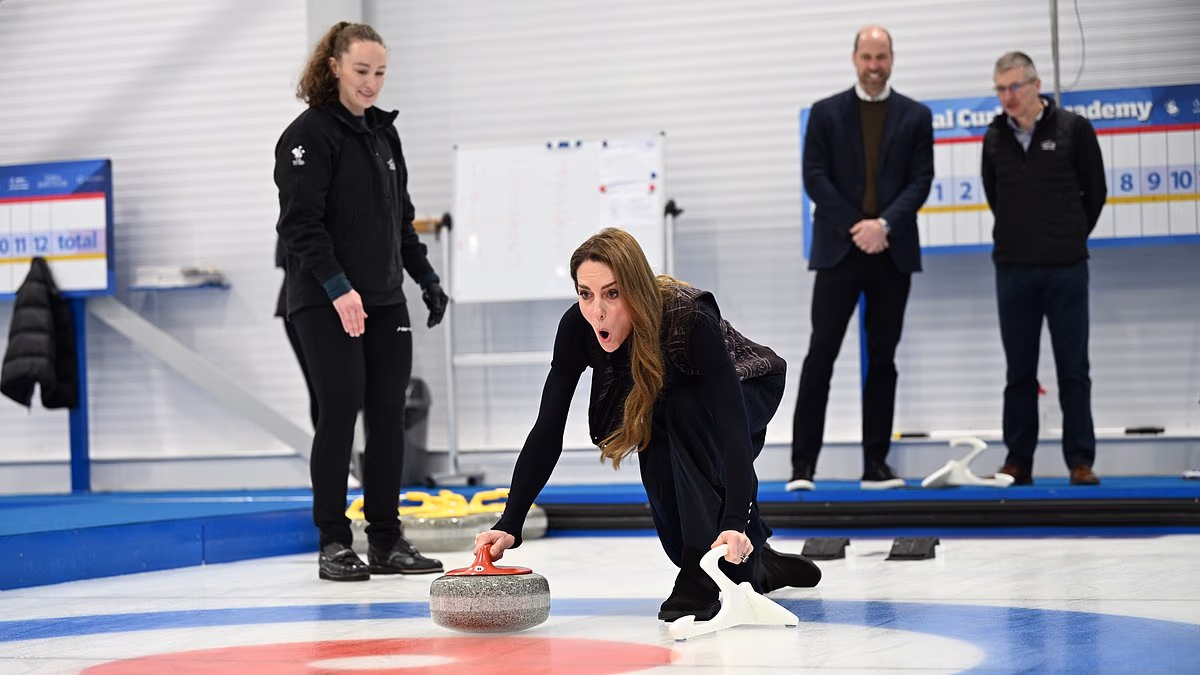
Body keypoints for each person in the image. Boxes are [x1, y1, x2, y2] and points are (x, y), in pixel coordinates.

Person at [473, 228, 822, 622]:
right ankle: (755, 563)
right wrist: (511, 521)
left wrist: (733, 521)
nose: (597, 311)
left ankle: (698, 576)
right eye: (585, 294)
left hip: (748, 386)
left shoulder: (690, 316)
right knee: (657, 427)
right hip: (672, 400)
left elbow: (730, 427)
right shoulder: (577, 327)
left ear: (636, 289)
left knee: (684, 410)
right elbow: (548, 426)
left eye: (612, 293)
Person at [274, 21, 451, 581]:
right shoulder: (307, 137)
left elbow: (399, 219)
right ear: (333, 67)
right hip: (322, 299)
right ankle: (332, 540)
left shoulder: (383, 134)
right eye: (361, 71)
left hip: (383, 298)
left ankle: (386, 539)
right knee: (339, 415)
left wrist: (424, 277)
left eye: (380, 73)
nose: (372, 82)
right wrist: (337, 288)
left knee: (388, 419)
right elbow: (299, 226)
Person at [788, 25, 934, 491]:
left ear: (893, 59)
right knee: (821, 356)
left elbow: (920, 180)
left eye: (882, 57)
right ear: (854, 58)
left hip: (891, 253)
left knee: (883, 359)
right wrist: (859, 225)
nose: (874, 66)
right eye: (867, 57)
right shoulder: (826, 113)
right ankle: (802, 467)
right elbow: (815, 177)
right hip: (839, 252)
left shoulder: (916, 116)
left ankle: (876, 465)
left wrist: (883, 225)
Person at [981, 51, 1106, 486]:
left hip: (1066, 267)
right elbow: (994, 195)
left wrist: (1067, 236)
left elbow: (1097, 192)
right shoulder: (994, 137)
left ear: (1036, 85)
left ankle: (1080, 460)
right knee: (1019, 370)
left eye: (1014, 87)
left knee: (1073, 366)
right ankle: (1018, 461)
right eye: (1000, 89)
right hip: (1013, 270)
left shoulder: (1074, 129)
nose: (1007, 97)